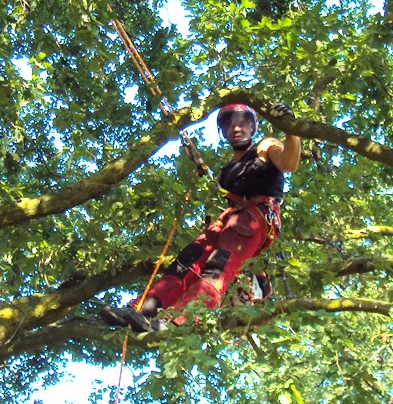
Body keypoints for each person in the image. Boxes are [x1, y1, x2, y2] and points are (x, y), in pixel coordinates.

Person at [101, 102, 301, 332]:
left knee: (217, 268)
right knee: (184, 263)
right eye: (229, 125)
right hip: (229, 221)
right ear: (223, 132)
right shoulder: (227, 171)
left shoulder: (265, 146)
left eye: (242, 124)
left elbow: (289, 162)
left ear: (252, 126)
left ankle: (178, 322)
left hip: (253, 220)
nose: (236, 129)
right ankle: (141, 311)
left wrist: (291, 129)